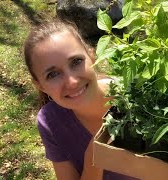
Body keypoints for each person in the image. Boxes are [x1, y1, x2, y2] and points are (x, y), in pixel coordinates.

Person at [23, 20, 137, 180]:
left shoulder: (137, 96)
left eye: (76, 62)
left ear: (91, 56)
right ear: (40, 85)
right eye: (53, 74)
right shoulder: (51, 121)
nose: (72, 82)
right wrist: (94, 158)